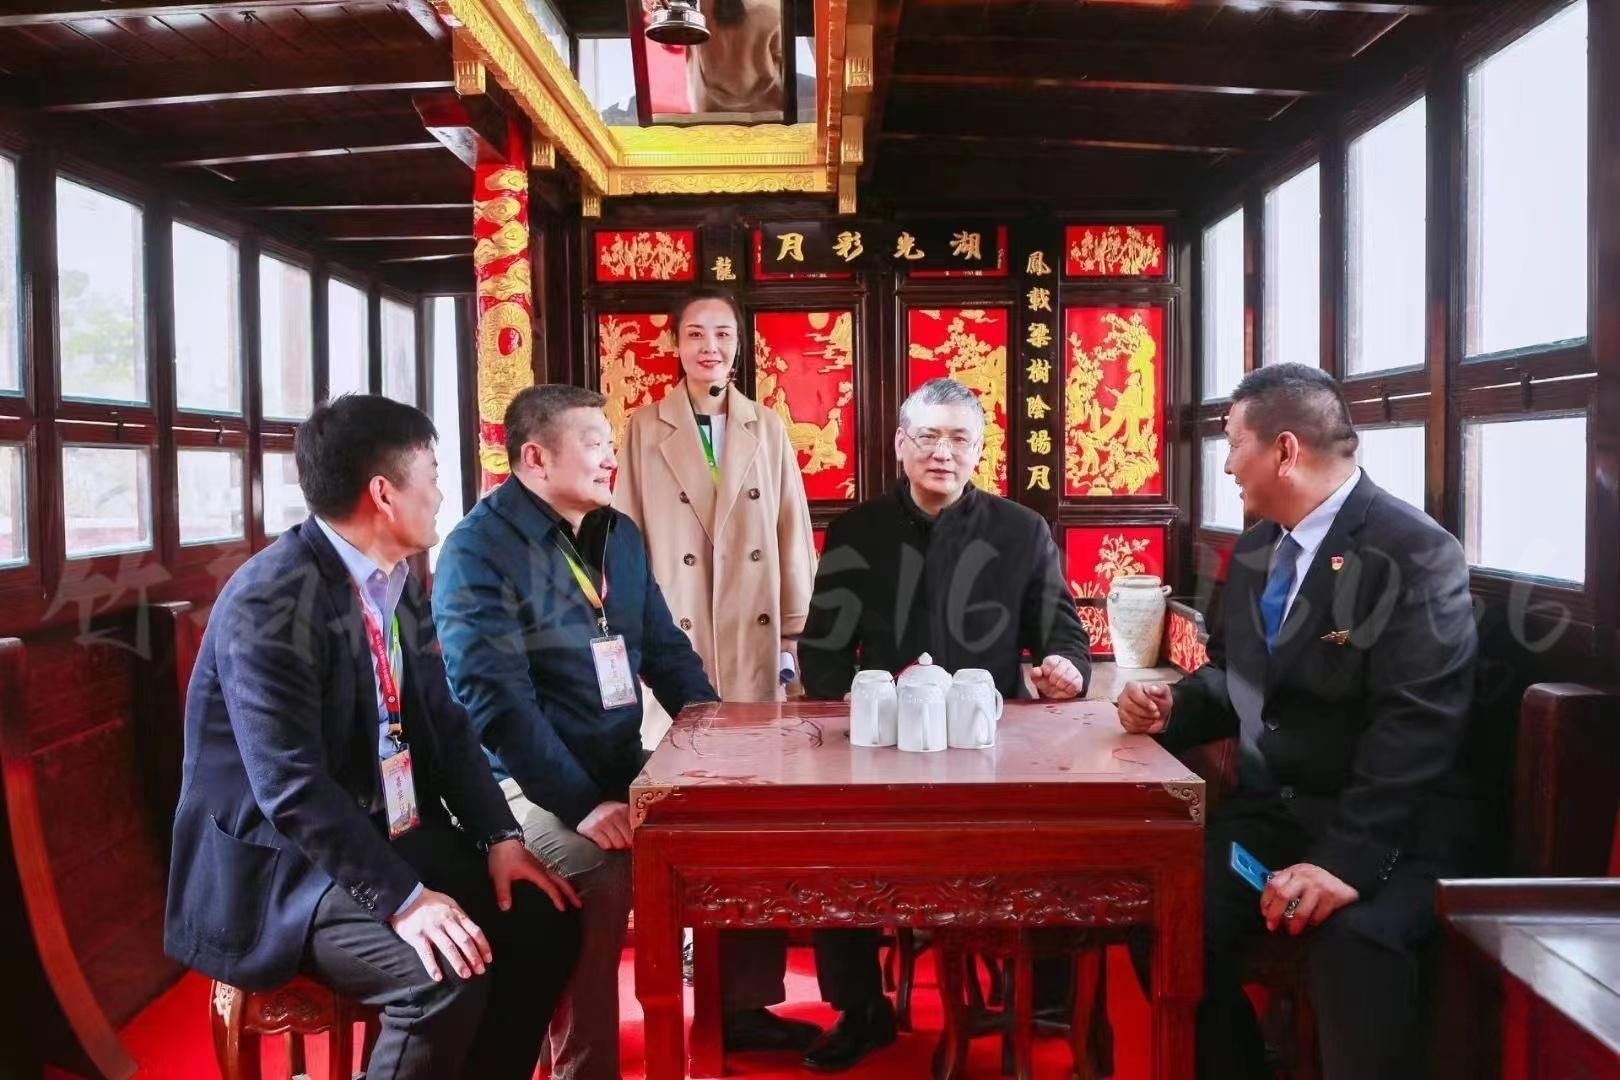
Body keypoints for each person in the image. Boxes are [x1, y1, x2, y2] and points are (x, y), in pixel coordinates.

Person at [164, 394, 581, 1080]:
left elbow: (445, 722)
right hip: (288, 867)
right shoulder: (271, 599)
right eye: (433, 475)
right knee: (440, 974)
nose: (441, 495)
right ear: (384, 493)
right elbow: (290, 788)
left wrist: (499, 838)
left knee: (541, 921)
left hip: (384, 830)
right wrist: (405, 901)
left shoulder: (394, 579)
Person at [1116, 363, 1479, 1080]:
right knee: (1161, 914)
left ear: (1284, 450)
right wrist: (1171, 708)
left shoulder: (1415, 552)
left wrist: (1342, 865)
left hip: (1392, 830)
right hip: (1277, 818)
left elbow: (1416, 726)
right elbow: (1234, 676)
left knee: (1354, 943)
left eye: (1233, 444)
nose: (1226, 465)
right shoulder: (1257, 550)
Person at [796, 376, 1092, 1071]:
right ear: (900, 445)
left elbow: (1063, 637)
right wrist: (857, 708)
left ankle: (1041, 994)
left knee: (1057, 836)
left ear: (980, 449)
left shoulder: (1021, 531)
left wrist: (1064, 669)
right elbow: (823, 652)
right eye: (927, 436)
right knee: (830, 841)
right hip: (883, 745)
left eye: (960, 438)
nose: (942, 452)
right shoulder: (858, 531)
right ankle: (860, 1009)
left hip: (991, 746)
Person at [433, 384, 719, 1080]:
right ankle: (584, 1070)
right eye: (594, 444)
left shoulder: (617, 534)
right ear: (535, 457)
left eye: (609, 443)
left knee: (730, 818)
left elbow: (665, 652)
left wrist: (720, 737)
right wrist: (582, 803)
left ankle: (731, 1022)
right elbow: (496, 704)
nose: (610, 458)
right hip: (516, 783)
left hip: (615, 760)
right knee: (598, 867)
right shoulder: (476, 550)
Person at [613, 286, 822, 1053]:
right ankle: (680, 987)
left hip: (751, 648)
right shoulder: (644, 428)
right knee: (682, 821)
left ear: (740, 347)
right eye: (697, 334)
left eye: (724, 335)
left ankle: (748, 999)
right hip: (674, 646)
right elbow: (626, 537)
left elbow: (792, 531)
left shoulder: (766, 425)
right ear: (674, 345)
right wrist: (631, 638)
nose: (710, 347)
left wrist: (795, 634)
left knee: (756, 826)